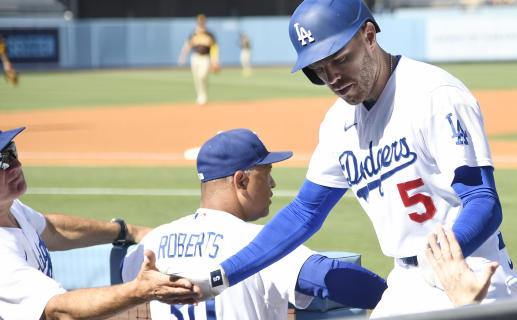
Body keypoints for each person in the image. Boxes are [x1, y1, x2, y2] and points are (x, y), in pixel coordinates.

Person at [171, 0, 517, 318]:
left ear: (369, 35)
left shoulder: (433, 94)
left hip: (470, 269)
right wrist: (220, 277)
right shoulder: (339, 123)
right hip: (408, 280)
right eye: (319, 70)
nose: (333, 77)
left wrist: (440, 263)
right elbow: (304, 213)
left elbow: (482, 199)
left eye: (340, 59)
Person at [121, 128, 388, 319]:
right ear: (241, 181)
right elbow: (329, 279)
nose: (273, 184)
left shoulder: (153, 243)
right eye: (266, 174)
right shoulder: (260, 243)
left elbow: (123, 273)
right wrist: (398, 292)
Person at [0, 126, 200, 320]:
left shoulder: (12, 208)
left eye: (12, 151)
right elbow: (57, 310)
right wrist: (140, 290)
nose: (16, 164)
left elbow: (51, 229)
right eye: (3, 162)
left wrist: (127, 231)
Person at [178, 14, 220, 105]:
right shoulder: (193, 34)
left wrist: (215, 60)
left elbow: (214, 48)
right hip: (195, 57)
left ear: (205, 23)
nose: (201, 23)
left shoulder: (209, 35)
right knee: (197, 78)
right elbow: (187, 46)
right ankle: (201, 96)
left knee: (202, 75)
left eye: (202, 22)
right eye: (199, 22)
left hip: (205, 58)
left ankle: (203, 95)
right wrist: (183, 57)